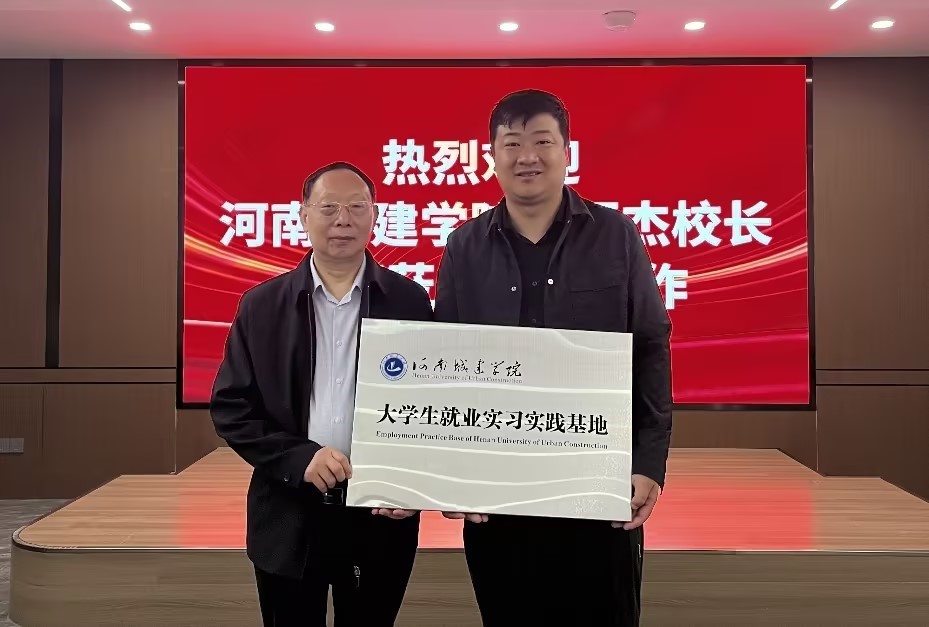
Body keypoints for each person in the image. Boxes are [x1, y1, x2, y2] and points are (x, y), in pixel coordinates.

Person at [433, 89, 673, 626]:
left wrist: (648, 463)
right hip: (496, 487)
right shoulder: (464, 246)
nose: (528, 157)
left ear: (567, 151)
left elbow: (651, 346)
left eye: (542, 142)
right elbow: (445, 360)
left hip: (597, 479)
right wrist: (450, 474)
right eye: (512, 144)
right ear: (492, 156)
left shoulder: (616, 236)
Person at [210, 162, 433, 627]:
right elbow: (233, 409)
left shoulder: (409, 301)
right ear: (304, 215)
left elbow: (433, 405)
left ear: (376, 216)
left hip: (379, 514)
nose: (343, 220)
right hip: (288, 512)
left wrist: (412, 481)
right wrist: (299, 458)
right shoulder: (262, 305)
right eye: (329, 207)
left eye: (356, 207)